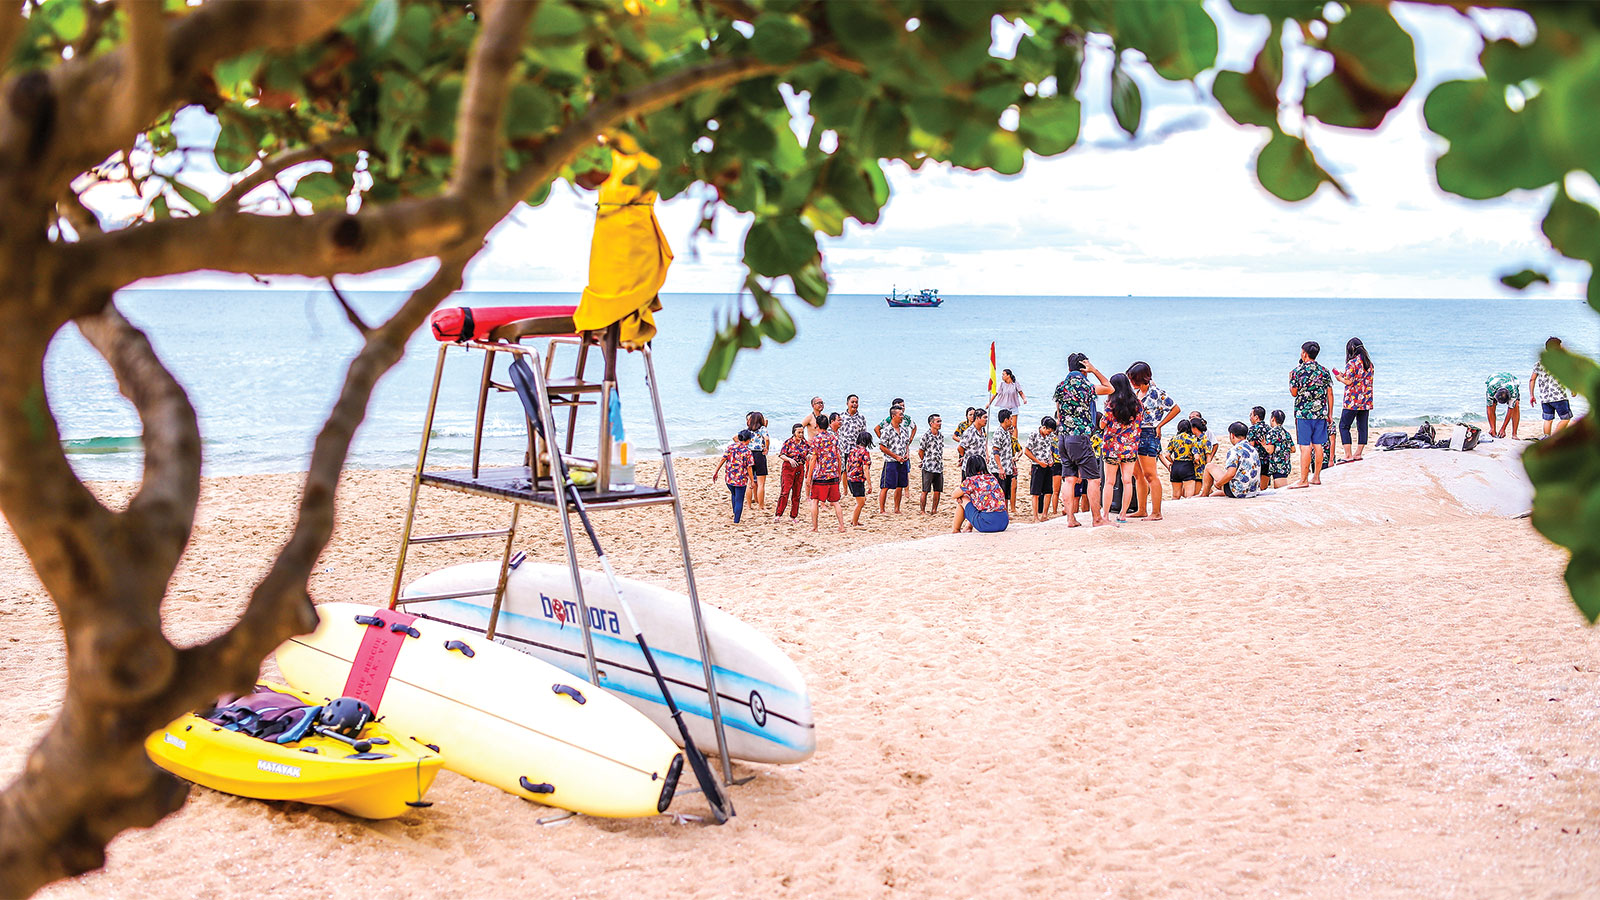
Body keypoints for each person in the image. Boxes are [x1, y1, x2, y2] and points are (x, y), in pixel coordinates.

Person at [1054, 353, 1114, 527]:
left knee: (1069, 479)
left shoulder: (1060, 387)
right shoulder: (1086, 386)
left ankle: (1071, 519)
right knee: (1093, 479)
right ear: (1084, 368)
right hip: (1079, 437)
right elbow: (1109, 388)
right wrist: (1094, 370)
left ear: (1068, 368)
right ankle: (1097, 519)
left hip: (1063, 437)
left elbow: (1059, 412)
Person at [1126, 361, 1180, 520]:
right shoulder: (1138, 393)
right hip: (1136, 435)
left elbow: (1175, 408)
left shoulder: (1155, 392)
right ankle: (1142, 509)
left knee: (1150, 475)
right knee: (1138, 474)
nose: (1131, 382)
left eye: (1132, 378)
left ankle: (1156, 512)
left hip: (1149, 434)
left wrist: (1160, 425)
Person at [1288, 341, 1334, 489]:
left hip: (1304, 413)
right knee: (1318, 445)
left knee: (1305, 447)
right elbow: (1330, 393)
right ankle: (1316, 477)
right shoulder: (1324, 371)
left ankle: (1303, 480)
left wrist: (1290, 381)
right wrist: (1329, 413)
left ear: (1304, 354)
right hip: (1320, 412)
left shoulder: (1297, 371)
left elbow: (1294, 393)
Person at [1099, 373, 1141, 525]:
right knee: (1127, 481)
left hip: (1111, 447)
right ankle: (1123, 514)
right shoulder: (1137, 405)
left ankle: (1105, 515)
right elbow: (1139, 424)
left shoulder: (1111, 405)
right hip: (1130, 447)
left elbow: (1103, 424)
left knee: (1109, 482)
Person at [1332, 337, 1375, 463]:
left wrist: (1340, 378)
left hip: (1352, 400)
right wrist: (1344, 375)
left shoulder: (1352, 363)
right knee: (1362, 427)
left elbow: (1349, 381)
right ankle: (1358, 453)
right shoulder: (1369, 364)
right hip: (1366, 400)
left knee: (1344, 426)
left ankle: (1348, 455)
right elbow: (1360, 379)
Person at [806, 417, 846, 533]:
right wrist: (838, 472)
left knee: (814, 500)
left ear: (817, 425)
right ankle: (841, 526)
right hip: (833, 473)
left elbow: (813, 459)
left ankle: (815, 527)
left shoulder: (816, 439)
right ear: (828, 425)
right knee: (835, 501)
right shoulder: (833, 438)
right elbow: (838, 456)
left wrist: (809, 477)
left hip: (820, 475)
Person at [951, 455, 1009, 534]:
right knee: (977, 498)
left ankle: (956, 530)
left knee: (963, 497)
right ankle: (968, 527)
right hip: (1003, 522)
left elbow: (954, 495)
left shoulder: (971, 481)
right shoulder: (992, 478)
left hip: (987, 524)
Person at [1205, 422, 1262, 499]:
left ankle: (1203, 494)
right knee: (1214, 494)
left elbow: (1231, 474)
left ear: (1232, 435)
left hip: (1238, 492)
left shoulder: (1234, 450)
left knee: (1209, 466)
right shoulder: (1253, 449)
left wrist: (1218, 484)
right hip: (1252, 491)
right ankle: (1211, 494)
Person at [1530, 337, 1573, 436]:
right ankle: (1554, 438)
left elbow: (1532, 379)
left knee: (1548, 420)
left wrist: (1532, 395)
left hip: (1545, 398)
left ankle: (1547, 438)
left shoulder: (1540, 362)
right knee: (1566, 418)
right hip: (1559, 396)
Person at [710, 430, 754, 523]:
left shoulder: (730, 447)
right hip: (741, 480)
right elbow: (749, 467)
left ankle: (735, 513)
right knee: (739, 499)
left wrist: (716, 471)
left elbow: (723, 459)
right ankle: (736, 520)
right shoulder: (747, 451)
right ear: (749, 440)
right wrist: (752, 480)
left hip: (729, 478)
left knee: (734, 494)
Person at [877, 405, 913, 514]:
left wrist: (906, 454)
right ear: (893, 416)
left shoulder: (904, 429)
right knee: (885, 486)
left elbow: (907, 444)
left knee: (900, 485)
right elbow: (882, 446)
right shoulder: (887, 430)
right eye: (900, 414)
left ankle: (897, 509)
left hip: (902, 461)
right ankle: (882, 510)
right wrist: (895, 456)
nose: (902, 417)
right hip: (890, 462)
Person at [771, 423, 809, 522]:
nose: (801, 434)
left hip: (800, 467)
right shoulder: (788, 442)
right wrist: (789, 460)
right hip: (788, 468)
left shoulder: (805, 443)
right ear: (794, 433)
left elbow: (810, 453)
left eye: (802, 432)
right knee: (785, 491)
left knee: (797, 493)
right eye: (799, 432)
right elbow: (781, 455)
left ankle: (793, 516)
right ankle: (778, 514)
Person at [1024, 417, 1058, 522]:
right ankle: (1035, 517)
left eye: (1051, 431)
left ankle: (1044, 514)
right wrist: (1038, 462)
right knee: (1036, 493)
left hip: (1048, 465)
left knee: (1048, 491)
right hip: (1037, 466)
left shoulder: (1050, 436)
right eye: (1048, 430)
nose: (1049, 433)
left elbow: (1050, 449)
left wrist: (1051, 459)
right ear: (1043, 427)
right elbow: (1026, 451)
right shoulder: (1034, 434)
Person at [1161, 418, 1199, 499]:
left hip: (1176, 466)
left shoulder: (1174, 439)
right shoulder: (1192, 439)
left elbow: (1167, 455)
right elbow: (1197, 457)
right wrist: (1196, 463)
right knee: (1189, 496)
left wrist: (1173, 461)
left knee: (1175, 496)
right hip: (1187, 466)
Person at [917, 413, 946, 514]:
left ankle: (934, 510)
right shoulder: (926, 436)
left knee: (938, 490)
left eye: (940, 421)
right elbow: (921, 451)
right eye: (938, 421)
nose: (940, 423)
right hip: (928, 467)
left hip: (938, 467)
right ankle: (922, 510)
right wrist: (924, 460)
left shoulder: (941, 436)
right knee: (925, 490)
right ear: (931, 423)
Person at [990, 409, 1018, 505]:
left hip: (1007, 467)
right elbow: (995, 451)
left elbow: (1008, 452)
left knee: (1006, 494)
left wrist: (1012, 465)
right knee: (999, 494)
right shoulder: (998, 433)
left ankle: (1005, 513)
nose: (1012, 421)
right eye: (1010, 419)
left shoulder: (1006, 432)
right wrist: (1000, 468)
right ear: (1006, 420)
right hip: (999, 469)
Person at [845, 432, 874, 527]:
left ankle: (854, 519)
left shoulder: (852, 450)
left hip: (850, 477)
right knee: (861, 502)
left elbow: (847, 465)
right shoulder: (864, 452)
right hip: (857, 479)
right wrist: (870, 484)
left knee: (861, 500)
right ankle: (854, 522)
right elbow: (865, 468)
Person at [1485, 371, 1521, 438]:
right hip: (1493, 379)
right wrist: (1492, 428)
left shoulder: (1513, 391)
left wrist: (1503, 428)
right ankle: (1493, 430)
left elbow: (1511, 410)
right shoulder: (1491, 389)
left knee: (1516, 405)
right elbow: (1489, 408)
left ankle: (1514, 434)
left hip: (1512, 380)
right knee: (1492, 405)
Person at [745, 411, 769, 511]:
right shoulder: (762, 429)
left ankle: (749, 505)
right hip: (759, 454)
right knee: (761, 483)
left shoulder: (748, 430)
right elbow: (766, 438)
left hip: (749, 454)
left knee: (749, 482)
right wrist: (767, 447)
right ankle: (761, 506)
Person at [1265, 410, 1293, 488]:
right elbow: (1293, 449)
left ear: (1273, 419)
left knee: (1280, 490)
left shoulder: (1271, 432)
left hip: (1277, 465)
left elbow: (1270, 451)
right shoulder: (1286, 433)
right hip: (1286, 464)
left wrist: (1264, 445)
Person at [1245, 407, 1271, 491]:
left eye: (1251, 415)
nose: (1250, 417)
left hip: (1256, 460)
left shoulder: (1252, 429)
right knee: (1264, 487)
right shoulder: (1268, 428)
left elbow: (1251, 446)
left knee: (1255, 487)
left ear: (1256, 417)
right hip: (1267, 459)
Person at [1191, 414, 1215, 497]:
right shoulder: (1194, 439)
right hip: (1193, 469)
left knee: (1195, 493)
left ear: (1194, 428)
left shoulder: (1205, 440)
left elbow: (1208, 456)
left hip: (1200, 470)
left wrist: (1207, 469)